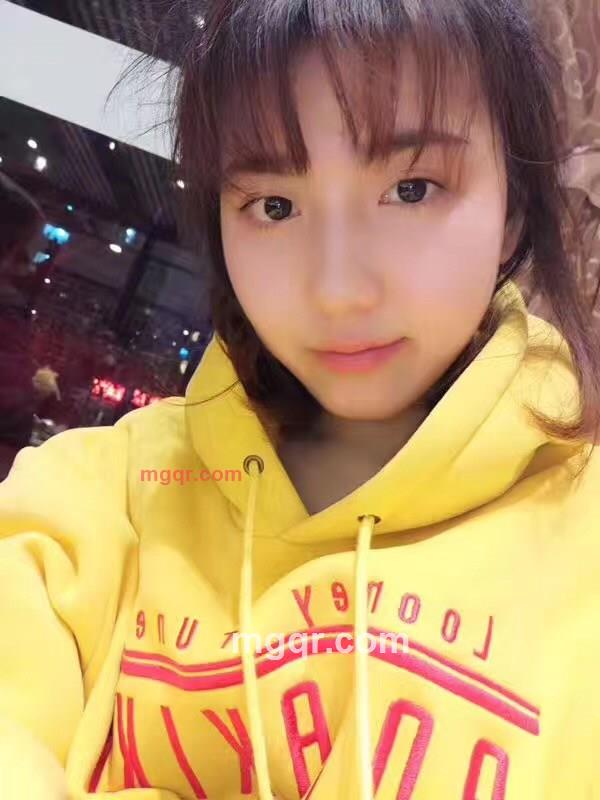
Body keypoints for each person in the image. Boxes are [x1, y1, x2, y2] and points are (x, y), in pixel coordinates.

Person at [1, 1, 600, 798]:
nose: (338, 290)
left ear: (512, 214)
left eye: (412, 188)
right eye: (274, 206)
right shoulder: (101, 494)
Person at [0, 172, 60, 479]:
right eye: (25, 257)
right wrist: (32, 393)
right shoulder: (8, 310)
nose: (31, 270)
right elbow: (9, 409)